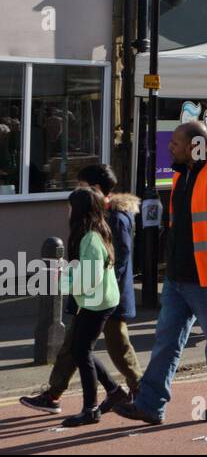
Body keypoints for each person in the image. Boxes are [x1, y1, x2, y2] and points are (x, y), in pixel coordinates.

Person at [115, 121, 207, 425]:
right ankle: (150, 405)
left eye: (175, 143)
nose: (170, 147)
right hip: (179, 278)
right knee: (165, 340)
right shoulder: (183, 175)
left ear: (195, 146)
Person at [22, 165, 142, 418]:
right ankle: (57, 395)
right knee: (75, 348)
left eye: (81, 185)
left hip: (104, 299)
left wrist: (73, 285)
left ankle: (135, 392)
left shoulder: (110, 220)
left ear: (94, 189)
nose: (77, 190)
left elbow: (112, 264)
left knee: (112, 348)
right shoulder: (95, 222)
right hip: (97, 297)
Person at [52, 188, 122, 426]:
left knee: (81, 351)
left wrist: (61, 280)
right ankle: (113, 391)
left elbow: (88, 280)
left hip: (97, 303)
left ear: (79, 210)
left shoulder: (90, 238)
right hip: (98, 300)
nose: (67, 210)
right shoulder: (91, 233)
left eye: (70, 206)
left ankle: (91, 409)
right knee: (83, 350)